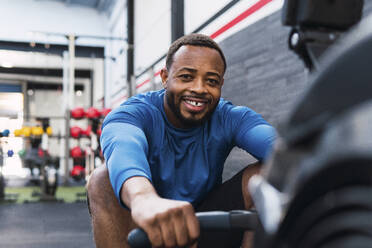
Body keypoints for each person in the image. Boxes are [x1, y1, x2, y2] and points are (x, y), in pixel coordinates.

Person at [87, 33, 276, 248]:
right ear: (165, 77)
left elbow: (280, 149)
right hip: (147, 227)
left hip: (204, 225)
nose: (199, 88)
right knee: (103, 179)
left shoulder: (230, 117)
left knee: (267, 174)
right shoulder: (135, 113)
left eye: (211, 81)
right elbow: (124, 147)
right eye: (186, 77)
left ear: (221, 84)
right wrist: (143, 199)